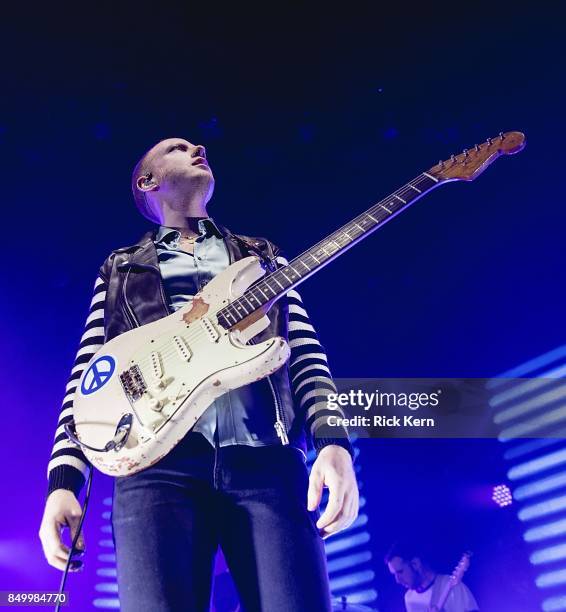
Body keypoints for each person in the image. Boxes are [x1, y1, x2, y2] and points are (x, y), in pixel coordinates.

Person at [39, 137, 359, 611]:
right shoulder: (121, 268)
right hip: (156, 469)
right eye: (177, 148)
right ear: (148, 181)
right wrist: (64, 480)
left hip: (266, 462)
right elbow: (89, 372)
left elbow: (308, 356)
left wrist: (332, 440)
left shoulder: (262, 256)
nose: (199, 147)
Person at [385, 541, 479, 612]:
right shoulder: (409, 598)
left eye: (400, 572)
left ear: (416, 564)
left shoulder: (452, 586)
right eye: (394, 574)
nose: (397, 580)